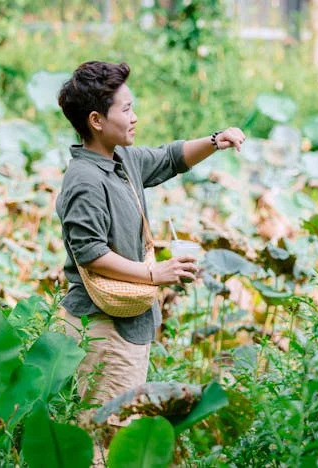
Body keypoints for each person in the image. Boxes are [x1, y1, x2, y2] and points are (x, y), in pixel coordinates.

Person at [55, 61, 246, 421]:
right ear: (96, 121)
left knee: (120, 428)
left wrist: (215, 141)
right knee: (107, 433)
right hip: (103, 328)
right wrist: (154, 273)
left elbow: (170, 157)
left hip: (128, 321)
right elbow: (90, 252)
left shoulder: (122, 159)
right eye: (126, 109)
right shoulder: (84, 180)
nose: (135, 117)